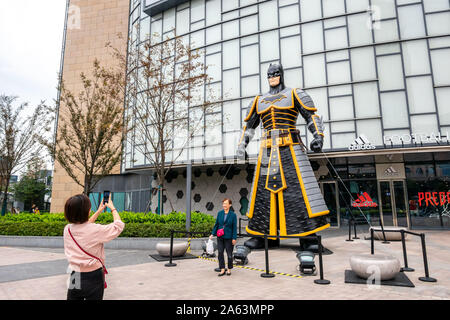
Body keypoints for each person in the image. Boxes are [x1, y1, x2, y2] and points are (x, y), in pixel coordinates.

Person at [237, 63, 330, 249]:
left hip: (290, 148)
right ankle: (264, 235)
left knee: (298, 192)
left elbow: (311, 116)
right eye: (269, 74)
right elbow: (250, 126)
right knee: (262, 194)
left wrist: (318, 137)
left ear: (281, 75)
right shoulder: (258, 101)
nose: (272, 76)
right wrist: (242, 145)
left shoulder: (295, 94)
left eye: (276, 73)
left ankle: (307, 236)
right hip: (267, 151)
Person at [63, 194, 124, 300]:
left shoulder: (67, 229)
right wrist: (112, 208)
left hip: (75, 274)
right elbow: (118, 226)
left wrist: (99, 210)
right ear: (86, 211)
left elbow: (83, 226)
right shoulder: (95, 230)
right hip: (93, 276)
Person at [210, 198, 237, 276]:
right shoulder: (220, 213)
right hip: (220, 236)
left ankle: (229, 269)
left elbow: (234, 227)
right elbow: (216, 225)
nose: (224, 205)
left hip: (229, 237)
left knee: (229, 254)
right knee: (220, 253)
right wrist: (212, 234)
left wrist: (234, 238)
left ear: (230, 205)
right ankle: (222, 269)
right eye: (223, 203)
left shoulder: (233, 215)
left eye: (225, 203)